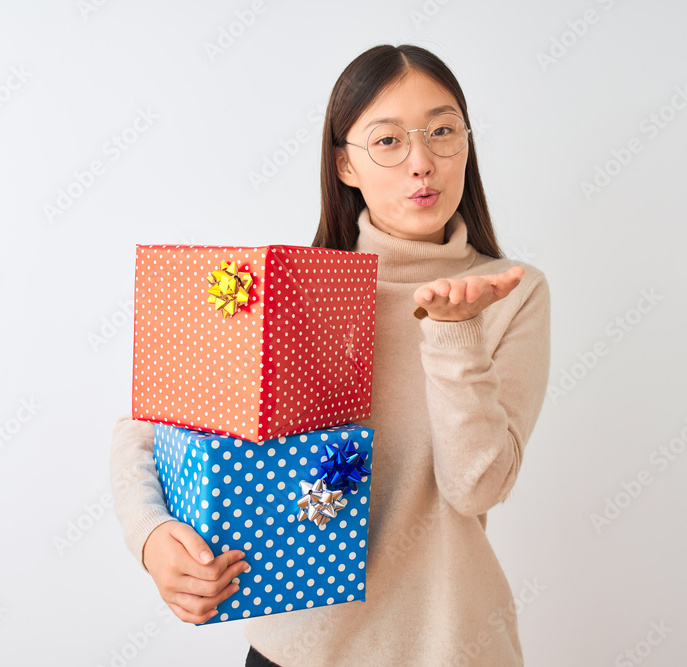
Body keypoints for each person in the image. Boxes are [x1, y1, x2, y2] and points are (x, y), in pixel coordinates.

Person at [110, 43, 550, 666]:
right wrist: (153, 538)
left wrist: (455, 333)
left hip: (449, 649)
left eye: (442, 131)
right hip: (296, 652)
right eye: (388, 141)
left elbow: (476, 487)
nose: (421, 162)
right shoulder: (290, 287)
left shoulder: (509, 292)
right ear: (345, 165)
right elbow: (147, 427)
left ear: (466, 143)